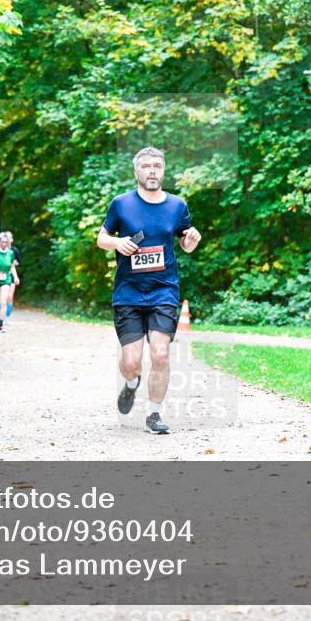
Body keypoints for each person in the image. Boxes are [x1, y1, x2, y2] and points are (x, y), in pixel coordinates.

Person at [96, 146, 202, 434]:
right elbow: (101, 238)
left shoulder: (177, 206)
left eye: (157, 166)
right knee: (131, 362)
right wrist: (118, 243)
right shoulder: (121, 204)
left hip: (164, 290)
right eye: (147, 166)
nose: (152, 170)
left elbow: (185, 243)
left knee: (160, 354)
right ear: (137, 171)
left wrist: (192, 239)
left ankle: (154, 414)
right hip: (128, 292)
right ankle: (131, 383)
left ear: (163, 170)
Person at [4, 231, 22, 326]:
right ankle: (0, 316)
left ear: (12, 239)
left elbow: (20, 261)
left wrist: (15, 263)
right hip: (1, 276)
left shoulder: (14, 250)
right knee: (2, 297)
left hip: (11, 275)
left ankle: (6, 317)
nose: (8, 240)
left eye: (9, 238)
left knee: (10, 297)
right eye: (6, 237)